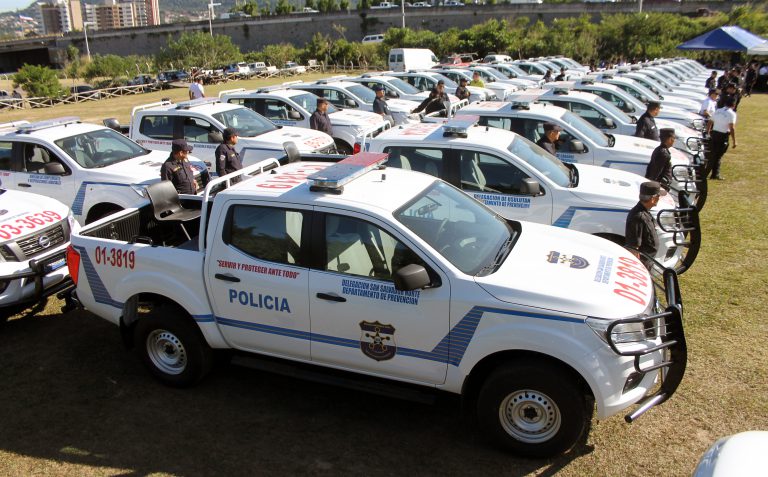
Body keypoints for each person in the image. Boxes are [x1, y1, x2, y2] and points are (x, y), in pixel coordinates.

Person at [625, 181, 666, 269]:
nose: (659, 198)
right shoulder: (638, 216)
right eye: (658, 196)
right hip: (642, 265)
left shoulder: (644, 212)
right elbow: (633, 247)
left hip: (648, 261)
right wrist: (638, 268)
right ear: (653, 199)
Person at [708, 97, 737, 180]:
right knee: (718, 155)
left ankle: (709, 172)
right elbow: (732, 128)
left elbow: (710, 122)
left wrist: (708, 132)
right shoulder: (732, 114)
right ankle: (715, 174)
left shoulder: (718, 111)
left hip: (714, 134)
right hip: (723, 135)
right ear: (734, 105)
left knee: (713, 154)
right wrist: (734, 141)